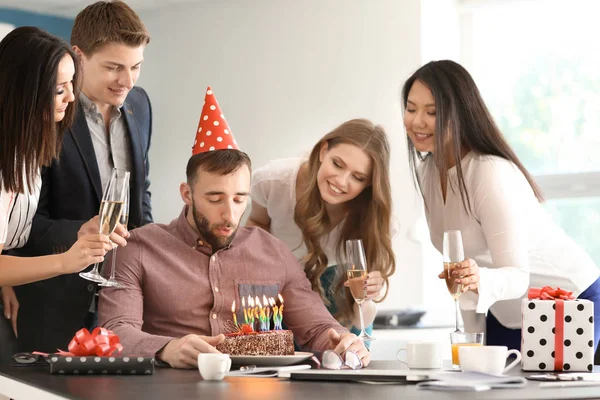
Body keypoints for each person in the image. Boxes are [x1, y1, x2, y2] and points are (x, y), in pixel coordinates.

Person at [99, 87, 370, 368]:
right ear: (187, 194)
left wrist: (343, 340)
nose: (229, 214)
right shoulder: (137, 248)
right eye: (215, 198)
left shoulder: (274, 252)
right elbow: (115, 331)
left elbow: (317, 329)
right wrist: (165, 348)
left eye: (239, 199)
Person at [402, 59, 600, 351]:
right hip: (504, 310)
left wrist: (475, 277)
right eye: (410, 108)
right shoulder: (428, 171)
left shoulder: (488, 171)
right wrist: (469, 349)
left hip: (566, 299)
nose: (417, 121)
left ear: (460, 115)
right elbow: (466, 272)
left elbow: (517, 275)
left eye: (432, 112)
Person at [8, 0, 153, 353]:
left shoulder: (140, 105)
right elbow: (24, 224)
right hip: (52, 299)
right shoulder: (47, 115)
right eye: (114, 67)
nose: (127, 80)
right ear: (78, 56)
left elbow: (140, 189)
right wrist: (79, 231)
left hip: (123, 300)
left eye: (136, 66)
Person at [0, 27, 114, 336]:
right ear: (25, 89)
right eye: (59, 88)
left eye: (70, 85)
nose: (71, 97)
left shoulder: (24, 152)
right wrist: (65, 261)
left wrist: (7, 278)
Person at [246, 119, 396, 336]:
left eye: (358, 177)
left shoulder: (375, 217)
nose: (342, 182)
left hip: (341, 308)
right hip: (280, 298)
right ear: (323, 151)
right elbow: (256, 224)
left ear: (370, 183)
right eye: (337, 164)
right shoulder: (272, 182)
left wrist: (370, 291)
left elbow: (361, 320)